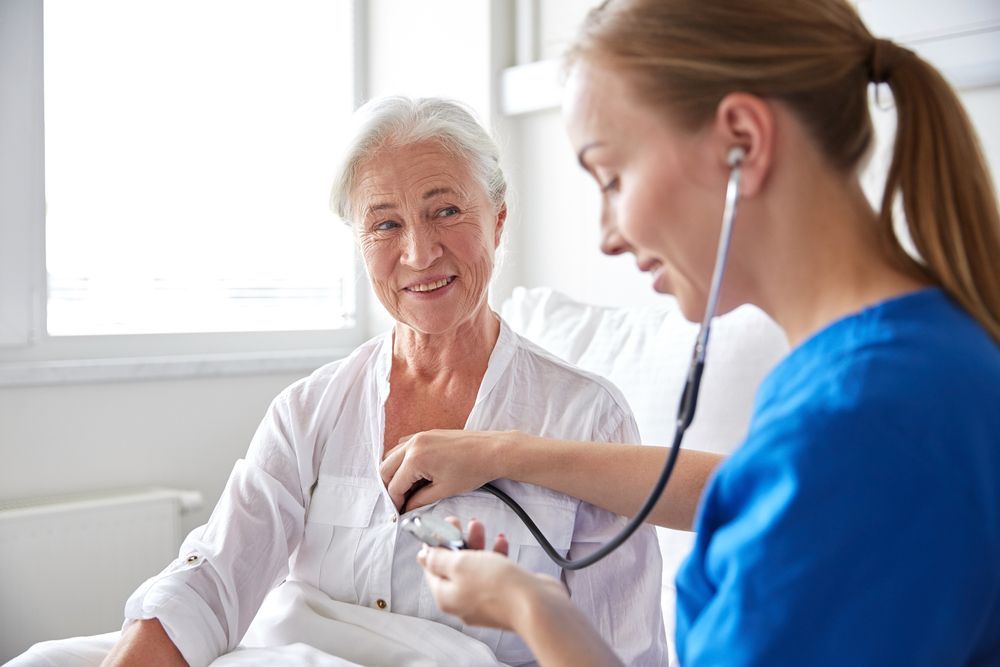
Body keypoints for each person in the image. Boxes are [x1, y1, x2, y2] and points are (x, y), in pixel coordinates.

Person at [380, 0, 1000, 665]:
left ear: (743, 142)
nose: (608, 235)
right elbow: (751, 488)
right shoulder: (926, 357)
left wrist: (529, 608)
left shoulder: (856, 424)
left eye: (613, 177)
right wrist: (507, 469)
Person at [12, 98, 674, 667]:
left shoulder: (587, 420)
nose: (418, 252)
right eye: (386, 222)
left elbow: (623, 652)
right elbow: (215, 574)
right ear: (359, 241)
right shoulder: (311, 409)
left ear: (499, 219)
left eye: (445, 211)